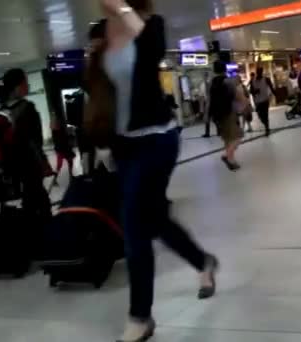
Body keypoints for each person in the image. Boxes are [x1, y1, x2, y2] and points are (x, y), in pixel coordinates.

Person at [91, 1, 219, 341]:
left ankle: (140, 316)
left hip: (157, 139)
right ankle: (203, 262)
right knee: (154, 220)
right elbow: (101, 90)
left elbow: (150, 50)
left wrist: (121, 9)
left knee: (133, 222)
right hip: (124, 146)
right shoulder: (101, 35)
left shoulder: (150, 24)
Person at [0, 68, 52, 221]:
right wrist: (44, 163)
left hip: (11, 169)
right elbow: (35, 142)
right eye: (25, 82)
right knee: (41, 204)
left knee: (26, 205)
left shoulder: (1, 111)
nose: (27, 86)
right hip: (30, 166)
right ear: (17, 87)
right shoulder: (28, 108)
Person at [209, 61, 245, 171]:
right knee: (238, 136)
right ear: (225, 69)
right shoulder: (228, 82)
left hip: (217, 115)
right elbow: (240, 97)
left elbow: (209, 100)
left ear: (214, 70)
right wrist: (241, 109)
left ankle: (232, 161)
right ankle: (227, 157)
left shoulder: (211, 83)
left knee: (227, 138)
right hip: (229, 113)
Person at [250, 67, 275, 136]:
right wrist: (255, 91)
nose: (259, 73)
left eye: (260, 71)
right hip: (257, 101)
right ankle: (265, 124)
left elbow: (271, 87)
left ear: (262, 72)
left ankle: (267, 128)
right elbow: (251, 91)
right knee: (260, 115)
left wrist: (275, 94)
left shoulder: (266, 79)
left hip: (265, 100)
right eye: (258, 71)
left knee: (265, 115)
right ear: (257, 72)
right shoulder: (253, 80)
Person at [51, 120, 75, 185]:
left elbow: (63, 140)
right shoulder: (58, 131)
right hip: (63, 150)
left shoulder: (56, 132)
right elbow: (64, 140)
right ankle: (70, 177)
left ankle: (55, 180)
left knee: (61, 165)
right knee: (64, 164)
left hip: (61, 150)